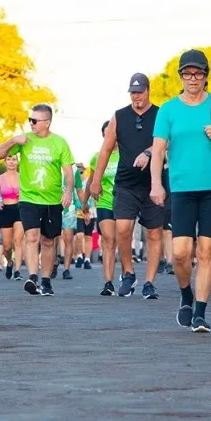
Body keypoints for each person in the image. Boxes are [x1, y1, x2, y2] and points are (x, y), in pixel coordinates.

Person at [150, 49, 211, 332]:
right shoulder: (168, 110)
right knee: (180, 253)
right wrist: (156, 184)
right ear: (180, 76)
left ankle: (200, 313)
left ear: (206, 76)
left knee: (205, 251)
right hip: (181, 189)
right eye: (187, 73)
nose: (193, 78)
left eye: (198, 73)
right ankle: (186, 295)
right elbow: (158, 150)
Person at [91, 74, 164, 299]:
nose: (136, 96)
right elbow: (105, 150)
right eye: (133, 92)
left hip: (153, 183)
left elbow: (167, 142)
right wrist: (95, 180)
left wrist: (148, 153)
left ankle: (149, 283)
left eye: (140, 92)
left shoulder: (160, 114)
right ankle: (129, 273)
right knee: (123, 229)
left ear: (148, 91)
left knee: (154, 233)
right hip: (125, 184)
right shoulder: (120, 116)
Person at [0, 104, 75, 296]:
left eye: (35, 121)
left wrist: (69, 191)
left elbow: (68, 173)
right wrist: (13, 140)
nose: (31, 123)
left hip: (52, 200)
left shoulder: (59, 143)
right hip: (28, 198)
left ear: (47, 122)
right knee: (31, 236)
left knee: (48, 241)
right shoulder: (24, 140)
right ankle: (32, 277)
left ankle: (45, 280)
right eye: (30, 120)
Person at [84, 121, 121, 295]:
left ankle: (127, 275)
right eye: (106, 134)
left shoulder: (125, 154)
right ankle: (108, 282)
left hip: (124, 202)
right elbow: (91, 181)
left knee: (122, 240)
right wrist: (85, 202)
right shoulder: (97, 156)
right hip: (105, 201)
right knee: (108, 239)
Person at [0, 154, 24, 281]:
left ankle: (17, 270)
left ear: (17, 162)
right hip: (5, 210)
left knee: (18, 241)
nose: (11, 162)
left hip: (19, 209)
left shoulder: (22, 177)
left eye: (14, 159)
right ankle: (10, 263)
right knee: (7, 246)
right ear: (5, 162)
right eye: (9, 159)